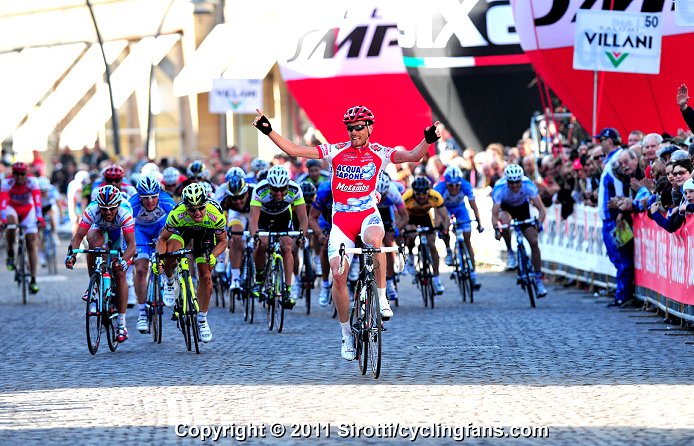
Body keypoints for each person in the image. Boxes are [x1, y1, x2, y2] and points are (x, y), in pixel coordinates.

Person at [253, 105, 440, 361]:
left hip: (367, 215)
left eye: (358, 127)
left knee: (376, 239)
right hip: (341, 221)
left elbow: (413, 156)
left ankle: (382, 298)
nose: (354, 132)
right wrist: (269, 131)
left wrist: (427, 141)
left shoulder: (380, 152)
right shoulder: (335, 150)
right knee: (338, 276)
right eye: (350, 128)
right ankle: (345, 335)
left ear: (369, 128)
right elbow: (295, 150)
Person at [154, 183, 228, 343]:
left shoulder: (215, 214)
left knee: (206, 276)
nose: (197, 212)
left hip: (205, 236)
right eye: (192, 209)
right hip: (184, 232)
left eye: (200, 208)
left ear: (206, 204)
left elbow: (223, 242)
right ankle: (169, 282)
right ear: (185, 207)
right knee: (171, 250)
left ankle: (202, 320)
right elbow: (162, 239)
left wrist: (214, 255)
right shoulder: (177, 213)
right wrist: (159, 259)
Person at [65, 185, 136, 343]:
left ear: (117, 205)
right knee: (94, 247)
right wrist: (72, 256)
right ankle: (95, 283)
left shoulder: (124, 212)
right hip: (99, 228)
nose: (108, 212)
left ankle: (122, 324)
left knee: (120, 273)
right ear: (99, 206)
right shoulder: (92, 210)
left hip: (120, 233)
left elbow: (132, 245)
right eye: (104, 209)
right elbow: (78, 237)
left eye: (111, 208)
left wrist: (124, 260)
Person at [248, 165, 307, 310]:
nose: (279, 193)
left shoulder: (295, 190)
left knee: (287, 246)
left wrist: (301, 236)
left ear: (288, 185)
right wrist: (255, 236)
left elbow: (303, 218)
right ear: (269, 186)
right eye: (274, 189)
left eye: (282, 189)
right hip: (264, 218)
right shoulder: (260, 190)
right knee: (261, 244)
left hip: (283, 217)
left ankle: (287, 290)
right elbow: (253, 219)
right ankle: (260, 278)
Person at [491, 164, 548, 297]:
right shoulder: (500, 188)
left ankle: (538, 280)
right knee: (505, 221)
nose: (515, 186)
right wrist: (496, 228)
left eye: (518, 182)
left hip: (522, 209)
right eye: (512, 183)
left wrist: (538, 224)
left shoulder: (528, 185)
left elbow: (541, 210)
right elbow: (494, 215)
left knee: (534, 242)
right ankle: (510, 252)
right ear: (507, 181)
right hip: (505, 209)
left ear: (521, 180)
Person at [129, 176, 176, 333]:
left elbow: (177, 222)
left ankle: (167, 278)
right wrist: (129, 248)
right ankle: (142, 312)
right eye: (145, 198)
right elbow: (125, 228)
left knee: (166, 255)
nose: (150, 201)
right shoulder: (132, 204)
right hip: (140, 231)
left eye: (153, 197)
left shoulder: (166, 200)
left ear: (159, 194)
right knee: (141, 269)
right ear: (139, 197)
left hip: (160, 228)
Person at [595, 127, 633, 307]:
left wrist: (619, 213)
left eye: (601, 140)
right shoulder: (609, 161)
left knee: (621, 256)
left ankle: (623, 293)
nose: (599, 144)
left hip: (614, 218)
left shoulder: (615, 161)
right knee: (616, 255)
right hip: (609, 217)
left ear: (608, 140)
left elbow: (619, 188)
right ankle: (621, 292)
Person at [434, 166, 483, 289]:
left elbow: (474, 206)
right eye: (451, 185)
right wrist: (439, 227)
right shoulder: (439, 188)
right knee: (444, 228)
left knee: (467, 240)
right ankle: (448, 250)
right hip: (445, 209)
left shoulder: (466, 186)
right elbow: (437, 212)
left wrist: (479, 221)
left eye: (457, 185)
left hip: (460, 208)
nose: (454, 188)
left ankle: (473, 274)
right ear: (446, 183)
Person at [0, 162, 45, 294]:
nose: (20, 177)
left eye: (22, 174)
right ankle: (10, 252)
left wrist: (40, 218)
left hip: (27, 210)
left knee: (31, 242)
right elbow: (3, 203)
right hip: (12, 208)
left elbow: (37, 201)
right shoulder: (6, 182)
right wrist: (2, 220)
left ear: (27, 174)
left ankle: (33, 279)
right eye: (17, 174)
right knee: (11, 223)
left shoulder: (32, 181)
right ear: (13, 175)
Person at [402, 176, 449, 295]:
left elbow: (445, 216)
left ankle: (436, 278)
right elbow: (401, 216)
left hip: (425, 217)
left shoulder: (435, 196)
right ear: (414, 193)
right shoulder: (406, 198)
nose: (422, 197)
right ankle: (411, 256)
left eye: (424, 194)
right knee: (411, 235)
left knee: (432, 245)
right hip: (410, 217)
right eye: (418, 194)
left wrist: (445, 229)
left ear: (429, 191)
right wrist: (404, 229)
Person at [216, 172, 254, 293]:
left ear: (247, 193)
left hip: (254, 211)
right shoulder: (226, 201)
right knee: (236, 238)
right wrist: (227, 237)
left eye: (241, 197)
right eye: (234, 198)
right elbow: (222, 222)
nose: (238, 201)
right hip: (236, 215)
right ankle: (236, 278)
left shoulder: (255, 192)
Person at [375, 172, 408, 302]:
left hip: (387, 214)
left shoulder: (393, 192)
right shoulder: (367, 190)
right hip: (371, 212)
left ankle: (389, 282)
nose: (381, 199)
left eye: (383, 196)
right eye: (380, 196)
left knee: (388, 243)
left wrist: (395, 231)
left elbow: (404, 216)